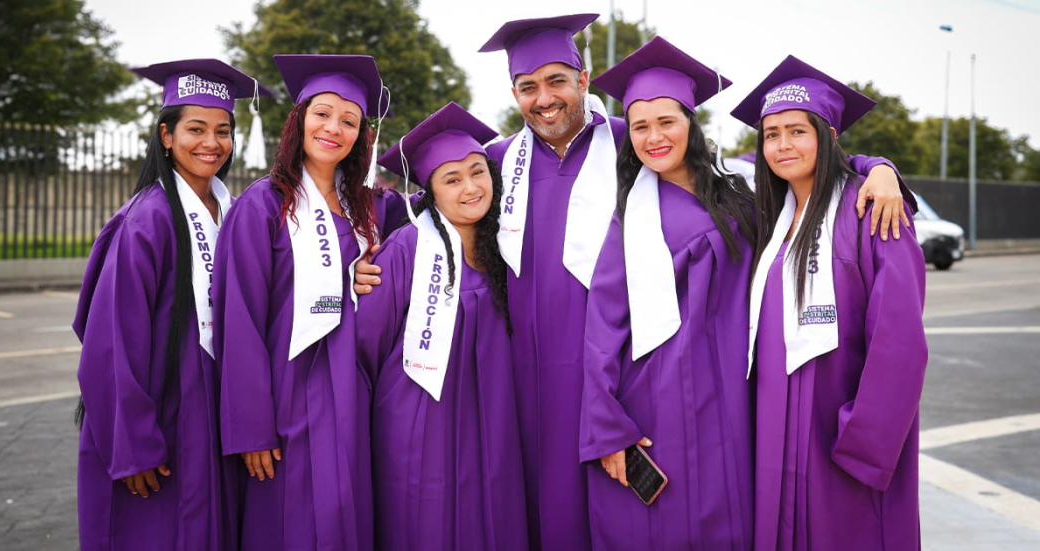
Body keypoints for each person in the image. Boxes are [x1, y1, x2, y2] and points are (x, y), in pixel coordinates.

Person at [357, 14, 911, 550]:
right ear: (514, 92)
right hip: (522, 381)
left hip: (624, 375)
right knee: (527, 509)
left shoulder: (632, 145)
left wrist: (876, 166)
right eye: (528, 86)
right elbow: (437, 206)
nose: (544, 97)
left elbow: (788, 165)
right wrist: (368, 251)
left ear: (584, 79)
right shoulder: (497, 164)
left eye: (556, 80)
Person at [731, 55, 928, 551]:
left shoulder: (873, 210)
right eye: (771, 134)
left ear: (830, 135)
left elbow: (900, 339)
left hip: (840, 430)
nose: (782, 145)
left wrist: (862, 438)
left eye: (797, 131)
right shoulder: (770, 219)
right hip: (775, 422)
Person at [211, 54, 404, 550]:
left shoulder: (376, 207)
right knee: (289, 522)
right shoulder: (260, 206)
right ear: (299, 118)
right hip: (286, 396)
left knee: (348, 512)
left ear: (362, 134)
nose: (333, 128)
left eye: (349, 120)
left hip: (355, 392)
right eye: (323, 112)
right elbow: (240, 321)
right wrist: (251, 428)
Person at [72, 59, 263, 550]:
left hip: (214, 408)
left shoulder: (235, 212)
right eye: (195, 129)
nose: (211, 143)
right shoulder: (145, 221)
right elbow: (111, 341)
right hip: (162, 415)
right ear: (165, 135)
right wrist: (132, 444)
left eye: (223, 130)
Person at [579, 37, 756, 549]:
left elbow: (812, 170)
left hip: (734, 392)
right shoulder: (628, 220)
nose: (654, 136)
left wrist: (877, 166)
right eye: (640, 126)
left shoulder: (740, 194)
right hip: (658, 399)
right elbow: (602, 327)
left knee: (731, 516)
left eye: (667, 121)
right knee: (665, 525)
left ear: (690, 124)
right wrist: (608, 426)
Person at [359, 101, 528, 551]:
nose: (471, 187)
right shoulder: (406, 250)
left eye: (478, 172)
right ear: (430, 192)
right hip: (419, 427)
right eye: (452, 179)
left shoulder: (508, 250)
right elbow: (365, 348)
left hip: (492, 425)